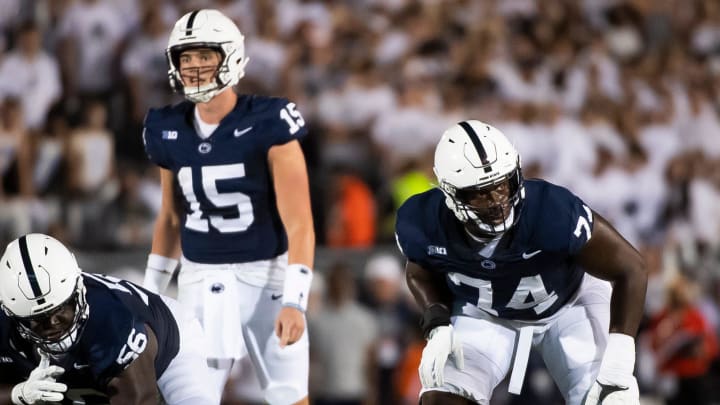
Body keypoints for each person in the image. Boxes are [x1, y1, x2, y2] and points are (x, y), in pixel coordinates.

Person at [394, 120, 647, 405]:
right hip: (485, 314)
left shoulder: (551, 210)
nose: (497, 201)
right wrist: (436, 322)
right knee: (442, 399)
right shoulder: (424, 222)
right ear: (450, 193)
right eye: (480, 193)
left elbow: (631, 267)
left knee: (612, 401)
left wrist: (619, 364)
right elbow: (420, 272)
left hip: (569, 304)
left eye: (502, 185)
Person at [140, 9, 315, 405]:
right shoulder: (165, 126)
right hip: (199, 279)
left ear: (231, 57)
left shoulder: (269, 119)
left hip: (265, 277)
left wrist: (295, 300)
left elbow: (299, 221)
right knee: (189, 397)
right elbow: (170, 218)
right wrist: (150, 296)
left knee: (289, 397)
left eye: (204, 55)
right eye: (185, 57)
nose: (194, 67)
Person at [0, 233, 218, 404]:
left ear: (78, 289)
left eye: (63, 306)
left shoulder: (113, 320)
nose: (54, 322)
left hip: (169, 346)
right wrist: (17, 394)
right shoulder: (4, 325)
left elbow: (138, 400)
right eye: (39, 318)